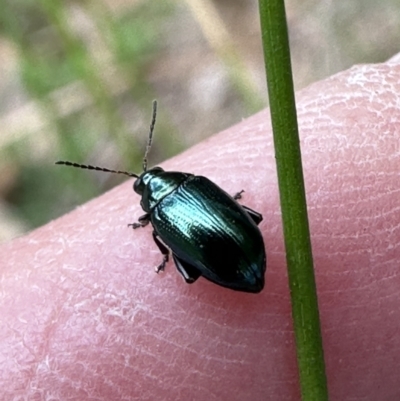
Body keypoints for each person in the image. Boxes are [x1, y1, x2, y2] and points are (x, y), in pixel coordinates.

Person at [1, 55, 400, 400]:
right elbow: (222, 203)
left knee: (185, 268)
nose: (144, 179)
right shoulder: (193, 183)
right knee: (224, 234)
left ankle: (184, 262)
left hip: (237, 255)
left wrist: (166, 256)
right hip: (244, 247)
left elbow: (172, 233)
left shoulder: (158, 219)